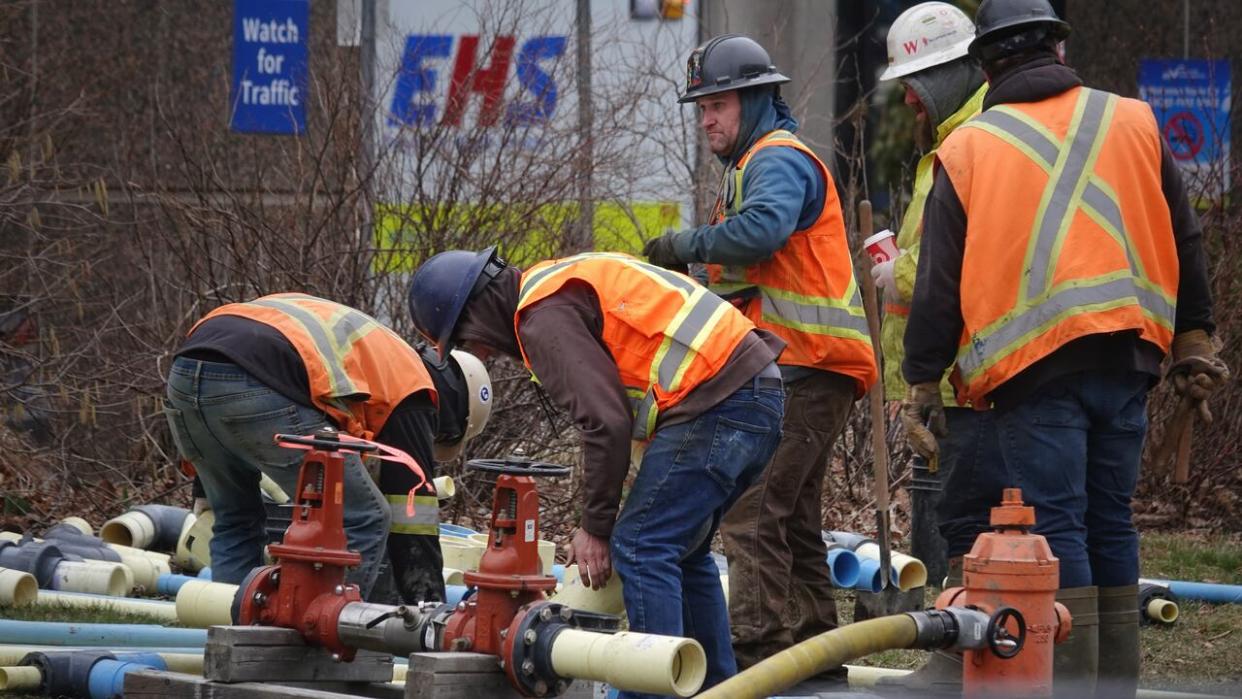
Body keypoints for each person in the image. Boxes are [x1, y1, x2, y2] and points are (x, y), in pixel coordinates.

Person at [900, 1, 1226, 696]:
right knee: (1112, 519)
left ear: (984, 66)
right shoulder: (1133, 120)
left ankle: (1072, 686)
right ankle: (1116, 685)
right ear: (1057, 48)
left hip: (1034, 369)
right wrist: (1194, 333)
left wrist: (921, 381)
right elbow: (1184, 236)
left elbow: (937, 285)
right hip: (1131, 357)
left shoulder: (968, 148)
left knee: (1058, 525)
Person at [407, 248, 785, 694]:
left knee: (643, 545)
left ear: (479, 309)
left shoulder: (541, 317)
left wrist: (596, 527)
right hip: (755, 394)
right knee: (683, 550)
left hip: (720, 400)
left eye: (469, 341)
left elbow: (605, 422)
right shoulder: (552, 285)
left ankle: (652, 689)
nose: (483, 354)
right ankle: (717, 688)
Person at [641, 34, 876, 672]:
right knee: (792, 519)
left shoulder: (774, 160)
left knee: (751, 514)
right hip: (811, 367)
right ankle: (816, 656)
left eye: (718, 103)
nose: (707, 118)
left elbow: (763, 231)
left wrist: (682, 243)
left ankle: (761, 660)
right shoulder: (758, 163)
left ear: (756, 99)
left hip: (804, 365)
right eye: (701, 107)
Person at [165, 293, 487, 604]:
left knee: (235, 518)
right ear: (452, 419)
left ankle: (231, 632)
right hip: (256, 380)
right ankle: (325, 636)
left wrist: (205, 484)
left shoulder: (374, 359)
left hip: (187, 369)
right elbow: (412, 518)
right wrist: (427, 608)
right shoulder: (412, 387)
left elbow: (230, 363)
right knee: (363, 516)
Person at [870, 4, 995, 692]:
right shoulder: (946, 143)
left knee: (968, 515)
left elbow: (962, 255)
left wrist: (903, 270)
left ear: (952, 72)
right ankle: (962, 653)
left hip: (970, 369)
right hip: (944, 372)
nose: (909, 99)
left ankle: (960, 659)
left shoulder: (975, 138)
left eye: (917, 81)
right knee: (958, 511)